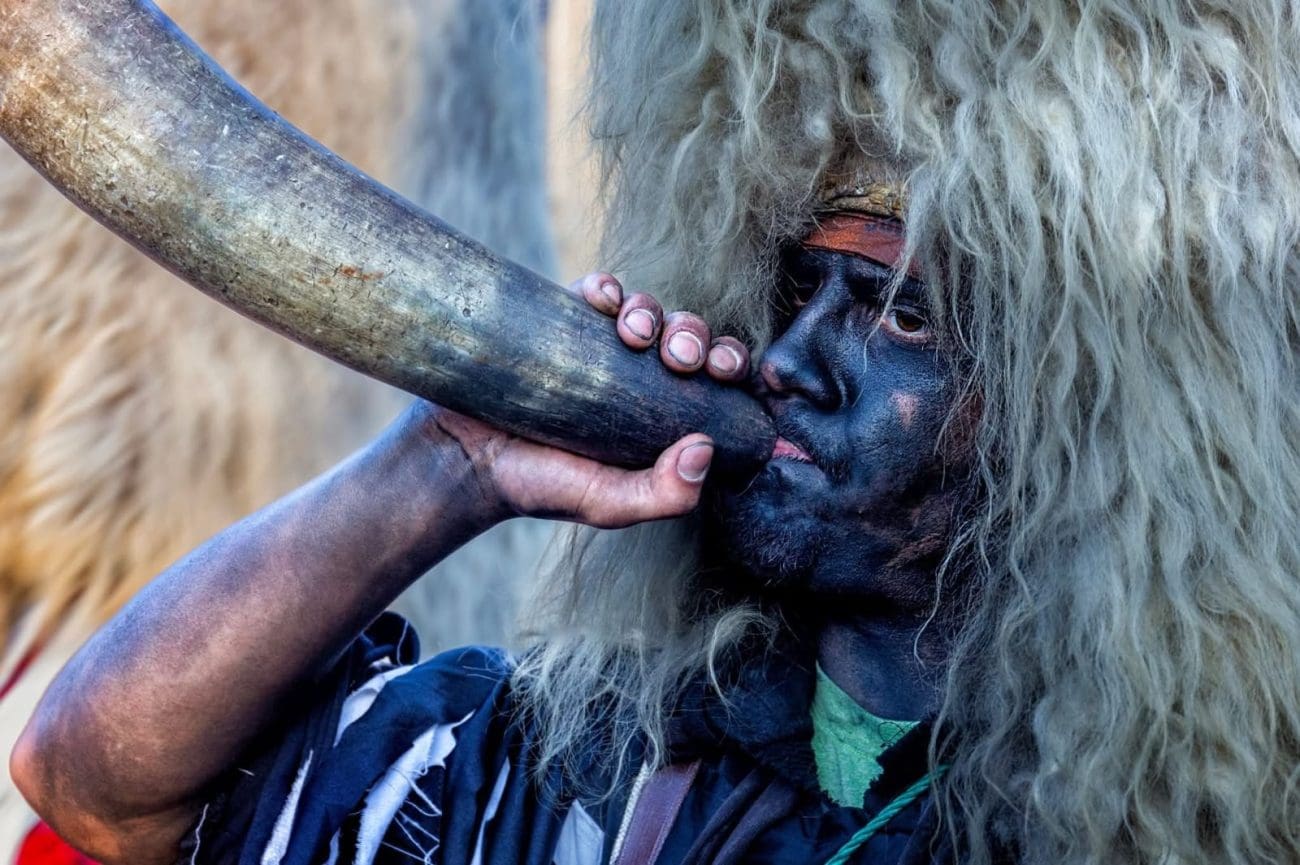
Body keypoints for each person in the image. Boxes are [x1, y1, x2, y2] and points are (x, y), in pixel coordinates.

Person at [12, 1, 1300, 864]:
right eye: (798, 291)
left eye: (896, 315)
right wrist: (450, 462)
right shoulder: (570, 769)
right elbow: (98, 783)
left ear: (1077, 420)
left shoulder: (1202, 830)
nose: (791, 361)